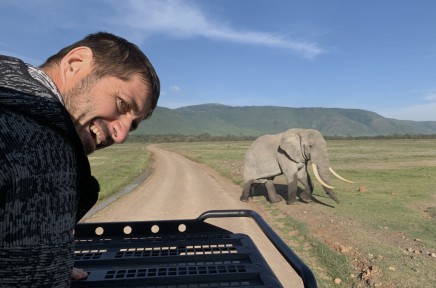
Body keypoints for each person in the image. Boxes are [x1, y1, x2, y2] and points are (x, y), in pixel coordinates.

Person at [0, 32, 160, 287]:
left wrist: (47, 262)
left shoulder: (46, 130)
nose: (121, 136)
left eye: (133, 125)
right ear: (75, 63)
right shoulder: (9, 122)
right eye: (121, 104)